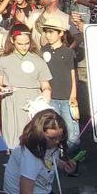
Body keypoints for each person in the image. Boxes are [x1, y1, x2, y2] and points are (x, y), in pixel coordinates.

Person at [1, 109, 81, 194]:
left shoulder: (49, 145)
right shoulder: (30, 156)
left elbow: (50, 161)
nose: (57, 142)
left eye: (59, 137)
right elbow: (26, 193)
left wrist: (64, 165)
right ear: (39, 134)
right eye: (52, 138)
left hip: (42, 192)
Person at [0, 29, 51, 150]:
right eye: (20, 44)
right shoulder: (3, 59)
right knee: (14, 137)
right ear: (12, 41)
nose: (24, 47)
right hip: (12, 100)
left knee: (33, 136)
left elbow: (45, 85)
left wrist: (46, 93)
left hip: (33, 101)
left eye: (27, 43)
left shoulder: (38, 60)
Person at [38, 21, 81, 161]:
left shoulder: (68, 52)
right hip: (51, 97)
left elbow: (73, 74)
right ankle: (54, 161)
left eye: (51, 32)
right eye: (46, 32)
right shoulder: (43, 51)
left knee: (72, 133)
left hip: (67, 97)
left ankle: (72, 161)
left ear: (60, 33)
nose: (48, 35)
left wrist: (73, 95)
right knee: (52, 132)